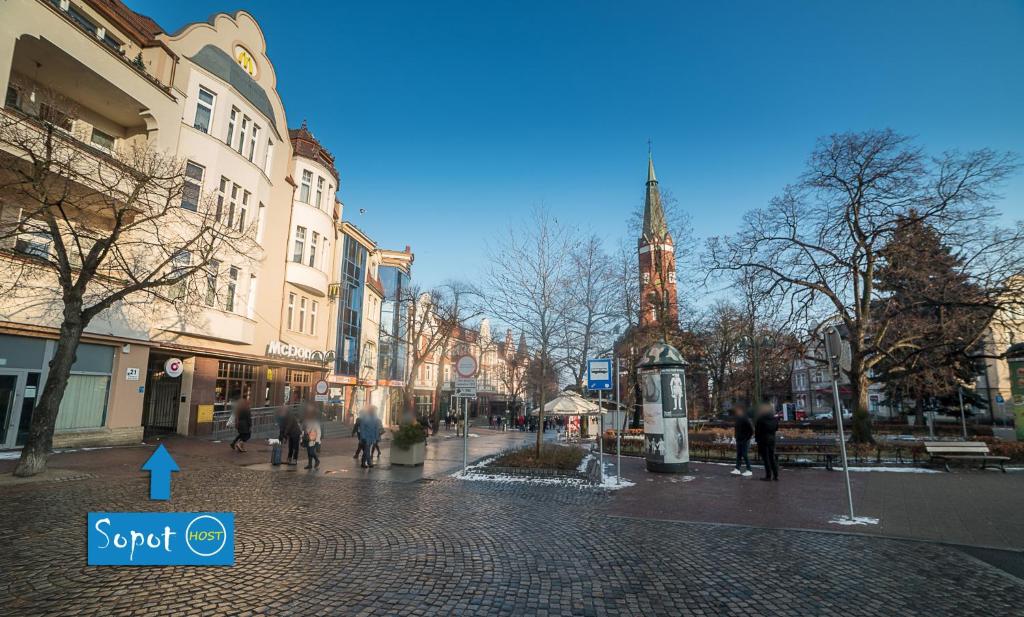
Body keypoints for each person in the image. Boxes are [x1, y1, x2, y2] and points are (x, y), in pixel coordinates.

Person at [754, 403, 779, 481]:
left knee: (766, 458)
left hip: (763, 440)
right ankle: (776, 475)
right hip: (772, 440)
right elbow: (776, 428)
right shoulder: (774, 419)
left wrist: (757, 439)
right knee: (772, 457)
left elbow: (757, 431)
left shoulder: (760, 419)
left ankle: (768, 476)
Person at [731, 406, 754, 477]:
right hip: (739, 439)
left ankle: (749, 470)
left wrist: (747, 438)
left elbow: (751, 430)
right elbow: (736, 429)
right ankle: (737, 469)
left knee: (744, 454)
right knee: (739, 454)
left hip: (745, 440)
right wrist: (735, 437)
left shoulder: (745, 419)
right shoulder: (738, 419)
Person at [302, 403, 322, 470]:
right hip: (308, 438)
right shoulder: (306, 421)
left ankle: (317, 460)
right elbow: (304, 430)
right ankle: (310, 464)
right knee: (309, 452)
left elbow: (318, 432)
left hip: (313, 439)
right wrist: (302, 438)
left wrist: (317, 441)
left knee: (311, 452)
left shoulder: (315, 422)